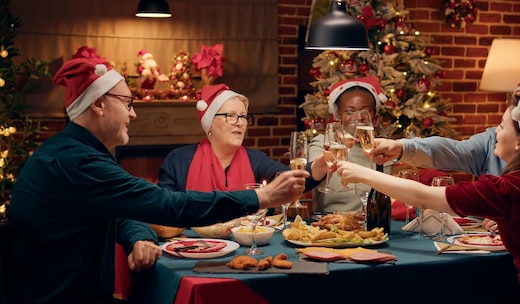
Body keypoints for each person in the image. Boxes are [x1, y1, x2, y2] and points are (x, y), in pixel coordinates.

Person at [8, 48, 308, 304]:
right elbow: (169, 204)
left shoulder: (71, 150)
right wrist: (262, 196)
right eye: (127, 103)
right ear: (98, 104)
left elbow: (124, 209)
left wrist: (139, 237)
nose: (133, 114)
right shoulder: (80, 162)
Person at [337, 93, 520, 303]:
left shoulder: (512, 189)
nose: (494, 133)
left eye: (501, 127)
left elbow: (423, 197)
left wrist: (362, 173)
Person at [368, 69, 520, 228]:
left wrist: (513, 221)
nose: (515, 111)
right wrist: (401, 147)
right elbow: (455, 151)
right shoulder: (493, 142)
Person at [158, 84, 327, 192]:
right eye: (231, 116)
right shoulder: (179, 161)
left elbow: (287, 180)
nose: (239, 123)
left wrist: (318, 167)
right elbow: (162, 210)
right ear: (210, 124)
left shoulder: (255, 160)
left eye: (243, 116)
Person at [309, 76, 393, 212]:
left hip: (371, 227)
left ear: (375, 115)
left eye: (366, 111)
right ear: (338, 115)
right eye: (349, 111)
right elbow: (309, 176)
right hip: (329, 224)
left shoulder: (383, 149)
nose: (359, 117)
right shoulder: (323, 143)